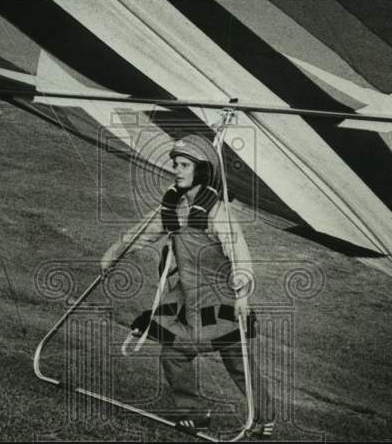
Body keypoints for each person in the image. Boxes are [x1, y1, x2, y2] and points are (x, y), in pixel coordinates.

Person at [101, 133, 274, 437]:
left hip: (221, 300)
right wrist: (114, 253)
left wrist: (242, 297)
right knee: (174, 355)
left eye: (184, 165)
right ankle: (195, 413)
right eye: (176, 164)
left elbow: (240, 257)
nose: (177, 170)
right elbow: (142, 233)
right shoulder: (174, 207)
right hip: (188, 298)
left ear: (202, 171)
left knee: (237, 361)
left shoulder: (218, 213)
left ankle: (264, 418)